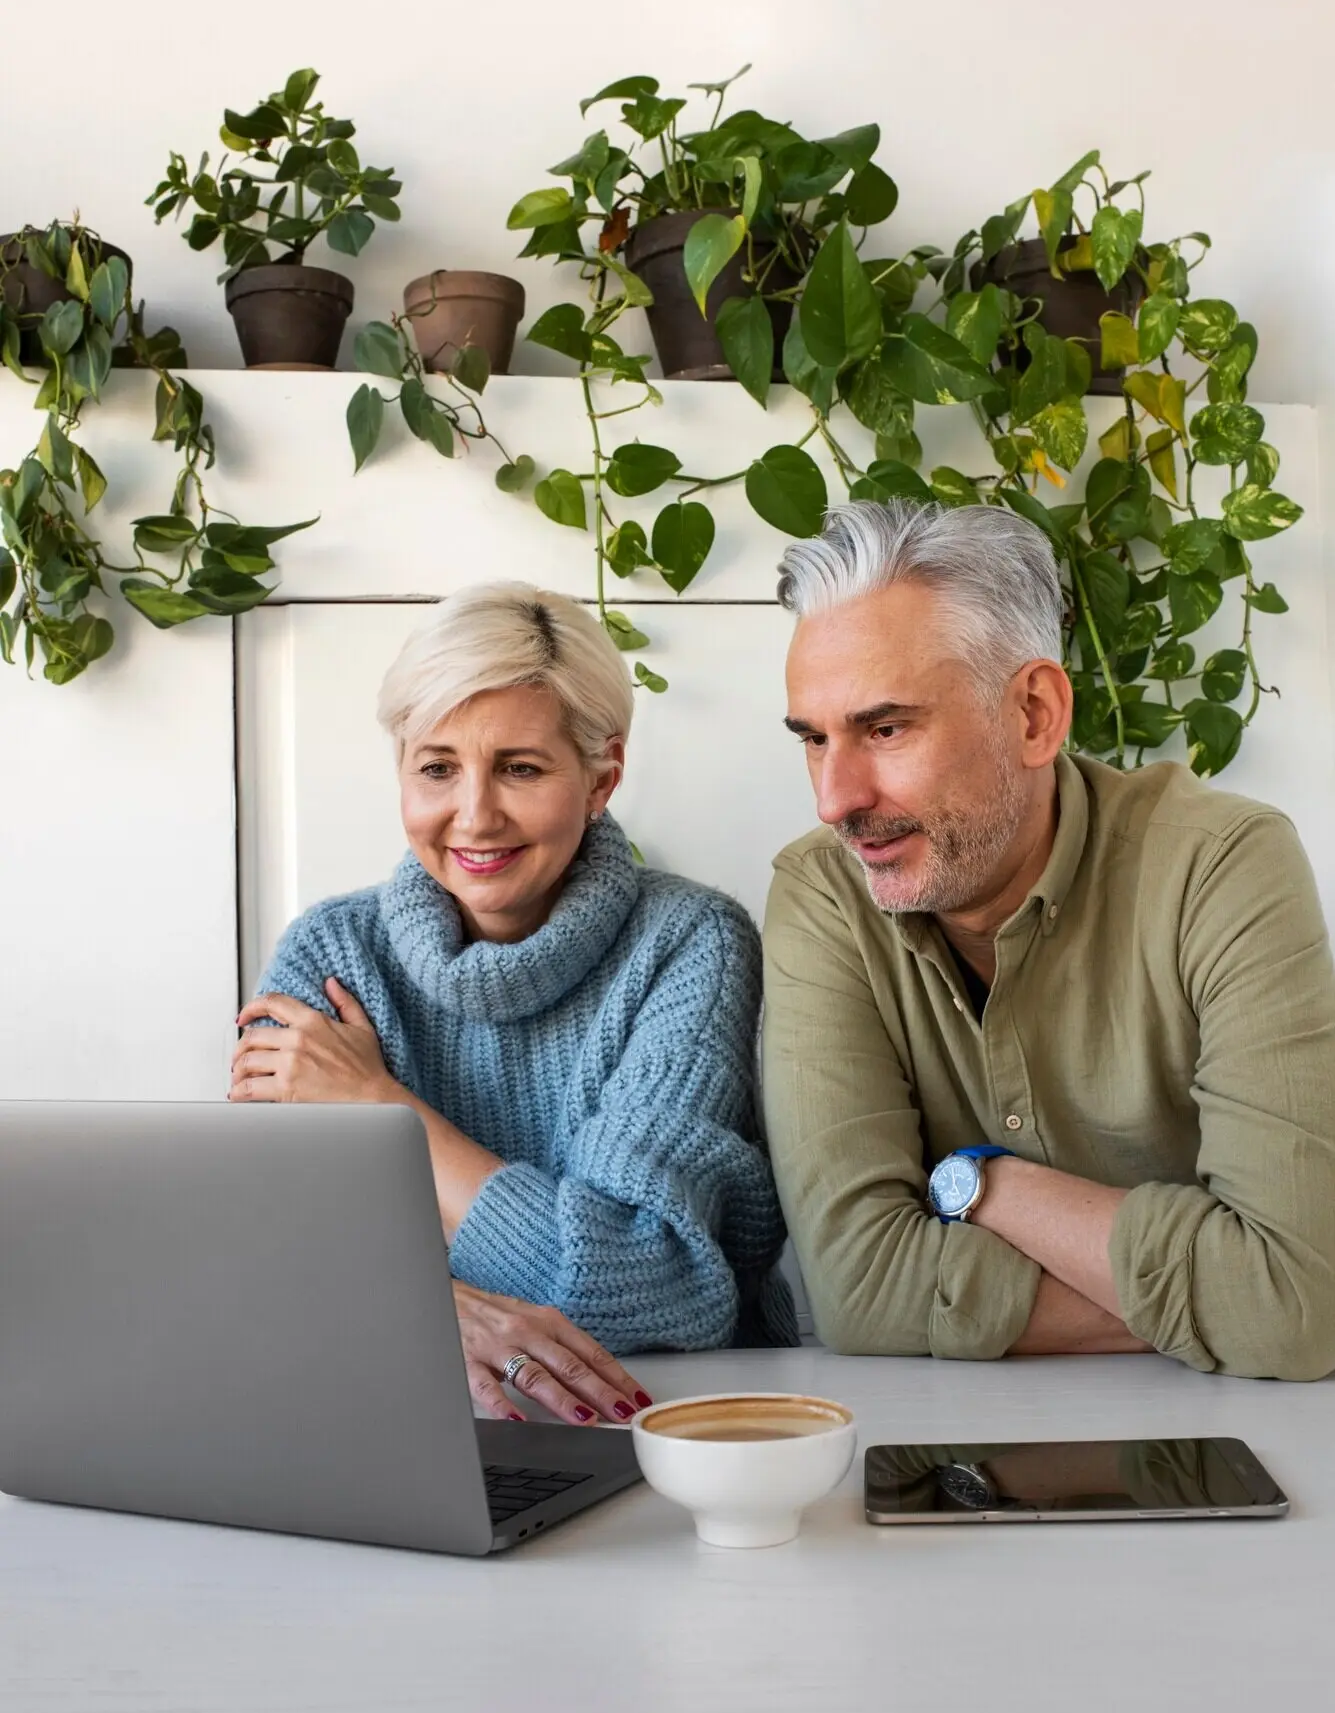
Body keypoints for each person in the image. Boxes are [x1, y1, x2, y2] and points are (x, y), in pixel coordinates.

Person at [761, 498, 1335, 1381]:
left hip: (1231, 1449)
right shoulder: (823, 893)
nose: (833, 800)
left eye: (884, 729)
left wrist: (986, 1186)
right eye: (812, 740)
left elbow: (1293, 1306)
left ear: (1033, 714)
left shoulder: (1220, 866)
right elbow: (858, 1290)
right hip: (950, 1462)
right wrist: (1214, 1296)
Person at [231, 581, 795, 1425]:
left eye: (520, 769)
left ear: (601, 777)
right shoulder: (331, 952)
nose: (474, 816)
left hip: (667, 1425)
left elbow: (647, 1287)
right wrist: (438, 1311)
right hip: (400, 1412)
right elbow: (260, 1261)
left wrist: (383, 1107)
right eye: (436, 768)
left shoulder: (689, 942)